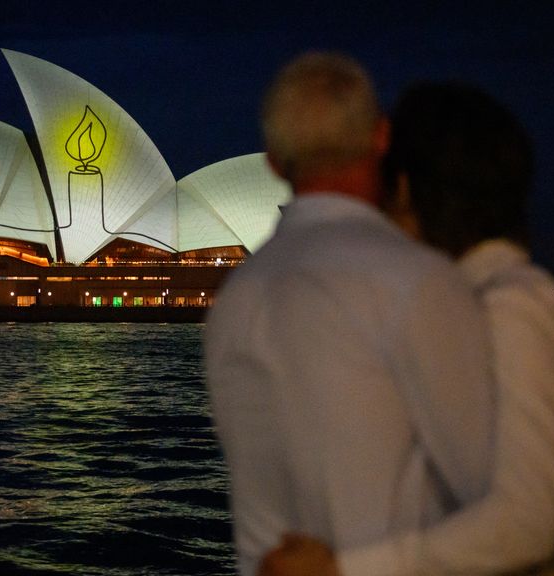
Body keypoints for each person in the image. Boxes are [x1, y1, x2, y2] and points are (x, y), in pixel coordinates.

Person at [257, 82, 554, 576]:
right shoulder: (487, 300)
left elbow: (529, 520)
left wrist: (341, 568)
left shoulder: (507, 306)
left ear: (404, 189)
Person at [204, 54, 497, 576]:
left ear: (272, 161)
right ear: (381, 138)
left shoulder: (235, 299)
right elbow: (492, 496)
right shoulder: (417, 279)